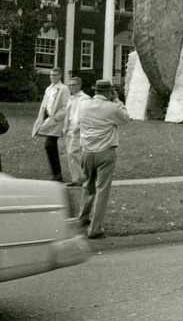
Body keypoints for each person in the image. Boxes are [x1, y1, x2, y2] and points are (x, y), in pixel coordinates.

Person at [77, 79, 131, 239]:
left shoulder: (83, 104)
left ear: (95, 91)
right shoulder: (111, 108)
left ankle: (82, 218)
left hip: (86, 151)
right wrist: (117, 99)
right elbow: (126, 118)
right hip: (105, 152)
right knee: (102, 190)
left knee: (88, 185)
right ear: (108, 92)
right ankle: (94, 228)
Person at [32, 67, 70, 182]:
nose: (52, 77)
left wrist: (56, 117)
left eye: (54, 75)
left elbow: (65, 107)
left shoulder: (64, 89)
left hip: (57, 121)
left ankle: (57, 174)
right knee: (49, 146)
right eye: (51, 75)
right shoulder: (49, 89)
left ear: (60, 76)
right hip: (48, 118)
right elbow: (45, 104)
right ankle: (55, 173)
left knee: (50, 144)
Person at [63, 75, 91, 186]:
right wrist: (65, 127)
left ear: (79, 85)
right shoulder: (71, 98)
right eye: (70, 85)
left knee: (73, 152)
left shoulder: (84, 98)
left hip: (78, 129)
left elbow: (84, 115)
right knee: (70, 154)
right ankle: (76, 178)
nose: (71, 87)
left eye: (73, 85)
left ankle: (83, 176)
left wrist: (77, 127)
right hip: (69, 129)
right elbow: (68, 114)